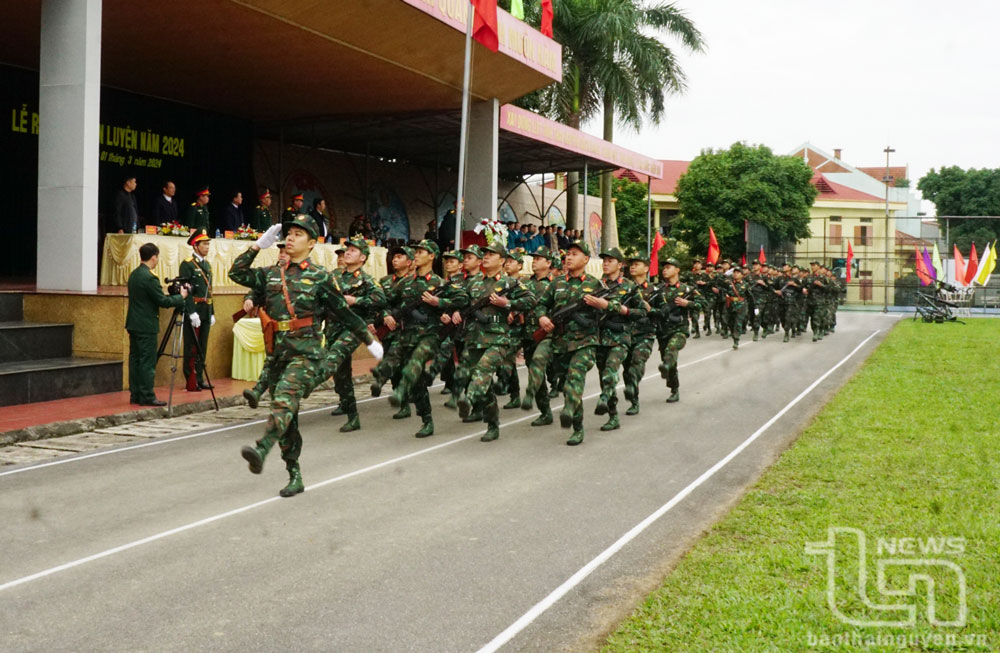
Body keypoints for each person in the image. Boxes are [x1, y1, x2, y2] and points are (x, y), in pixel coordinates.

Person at [232, 215, 382, 498]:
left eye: (298, 234)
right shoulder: (271, 274)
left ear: (312, 243)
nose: (290, 238)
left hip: (306, 354)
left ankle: (261, 448)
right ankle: (294, 473)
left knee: (283, 399)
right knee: (287, 417)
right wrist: (257, 246)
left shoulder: (321, 277)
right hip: (278, 355)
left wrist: (369, 340)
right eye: (288, 233)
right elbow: (236, 274)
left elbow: (344, 313)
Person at [370, 240, 467, 438]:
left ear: (432, 256)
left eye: (422, 252)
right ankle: (426, 419)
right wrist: (386, 315)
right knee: (418, 382)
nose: (417, 254)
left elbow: (462, 299)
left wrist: (439, 302)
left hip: (430, 336)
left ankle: (400, 391)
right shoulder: (405, 283)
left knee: (416, 362)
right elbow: (383, 300)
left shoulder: (440, 283)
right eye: (416, 251)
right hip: (407, 336)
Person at [535, 240, 619, 445]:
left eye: (575, 254)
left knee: (575, 378)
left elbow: (614, 307)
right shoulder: (556, 283)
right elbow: (541, 304)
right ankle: (576, 423)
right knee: (567, 387)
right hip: (561, 343)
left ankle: (575, 425)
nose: (569, 257)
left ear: (586, 259)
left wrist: (602, 304)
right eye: (568, 254)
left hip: (585, 342)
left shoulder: (596, 284)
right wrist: (542, 318)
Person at [453, 243, 533, 442]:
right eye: (485, 254)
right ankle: (492, 423)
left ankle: (468, 399)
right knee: (485, 384)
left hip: (498, 340)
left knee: (482, 373)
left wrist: (508, 304)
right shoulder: (474, 283)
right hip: (474, 339)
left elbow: (531, 300)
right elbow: (460, 301)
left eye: (491, 254)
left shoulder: (509, 283)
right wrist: (455, 311)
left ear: (502, 260)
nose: (486, 257)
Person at [324, 238, 386, 432]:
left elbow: (380, 299)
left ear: (363, 257)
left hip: (352, 328)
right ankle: (347, 404)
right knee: (341, 371)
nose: (348, 253)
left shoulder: (366, 280)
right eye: (347, 250)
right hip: (333, 327)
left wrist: (356, 300)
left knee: (334, 357)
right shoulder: (334, 275)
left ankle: (352, 416)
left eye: (353, 250)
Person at [126, 242, 188, 406]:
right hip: (146, 325)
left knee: (135, 360)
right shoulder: (150, 278)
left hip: (133, 323)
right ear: (154, 257)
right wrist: (181, 297)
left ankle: (135, 394)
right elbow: (162, 301)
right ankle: (147, 395)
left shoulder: (134, 274)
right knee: (147, 361)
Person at [593, 248, 644, 432]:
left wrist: (625, 310)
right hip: (600, 338)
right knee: (603, 376)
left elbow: (642, 311)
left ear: (620, 265)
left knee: (612, 370)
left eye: (610, 260)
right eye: (604, 261)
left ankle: (619, 398)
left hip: (621, 337)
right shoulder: (596, 285)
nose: (606, 263)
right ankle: (613, 416)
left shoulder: (630, 287)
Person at [648, 257, 702, 403]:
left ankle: (667, 367)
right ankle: (674, 389)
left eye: (668, 267)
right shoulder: (658, 289)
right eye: (664, 267)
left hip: (679, 329)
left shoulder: (687, 289)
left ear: (677, 270)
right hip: (663, 330)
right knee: (670, 362)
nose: (665, 270)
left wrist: (687, 303)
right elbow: (651, 307)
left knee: (671, 349)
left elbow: (703, 304)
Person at [179, 229, 215, 390]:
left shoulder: (207, 265)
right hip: (195, 310)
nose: (207, 247)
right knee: (191, 346)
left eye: (208, 244)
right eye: (204, 244)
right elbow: (186, 290)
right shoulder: (187, 264)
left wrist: (212, 312)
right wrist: (192, 312)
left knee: (202, 346)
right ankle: (190, 378)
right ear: (195, 245)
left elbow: (209, 290)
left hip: (206, 309)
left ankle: (199, 377)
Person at [622, 254, 658, 416]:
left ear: (646, 268)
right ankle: (634, 399)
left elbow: (664, 311)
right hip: (626, 333)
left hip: (645, 333)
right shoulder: (623, 287)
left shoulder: (654, 290)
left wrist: (651, 309)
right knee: (627, 369)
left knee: (637, 361)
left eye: (637, 264)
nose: (633, 267)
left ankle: (632, 392)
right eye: (631, 264)